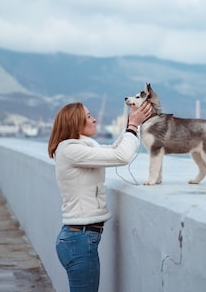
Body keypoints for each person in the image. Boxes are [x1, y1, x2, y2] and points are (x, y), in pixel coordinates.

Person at [47, 100, 152, 292]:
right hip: (79, 239)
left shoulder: (78, 148)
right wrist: (132, 126)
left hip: (80, 239)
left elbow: (113, 150)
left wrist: (131, 124)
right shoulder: (70, 150)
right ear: (75, 123)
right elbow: (121, 156)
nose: (94, 119)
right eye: (88, 116)